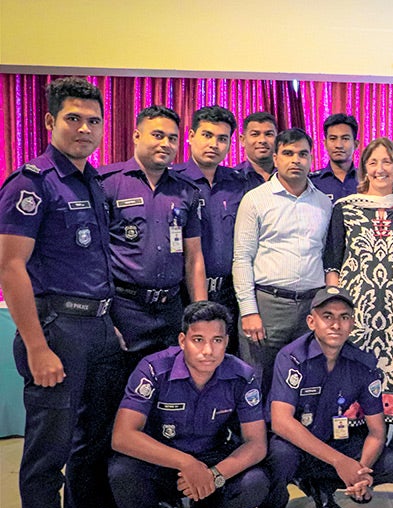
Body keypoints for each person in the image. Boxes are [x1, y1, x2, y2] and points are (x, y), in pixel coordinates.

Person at [0, 76, 140, 508]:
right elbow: (10, 265)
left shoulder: (91, 181)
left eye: (93, 120)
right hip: (56, 332)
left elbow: (93, 263)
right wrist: (37, 347)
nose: (84, 128)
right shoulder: (32, 184)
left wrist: (110, 322)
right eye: (73, 119)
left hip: (99, 330)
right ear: (50, 122)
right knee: (48, 455)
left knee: (92, 443)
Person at [109, 301, 271, 508]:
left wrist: (212, 475)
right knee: (121, 472)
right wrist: (186, 463)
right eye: (198, 340)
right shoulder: (153, 369)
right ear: (183, 341)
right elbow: (122, 436)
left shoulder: (243, 375)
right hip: (164, 461)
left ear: (227, 341)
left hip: (213, 460)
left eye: (217, 340)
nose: (208, 350)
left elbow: (256, 444)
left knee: (257, 483)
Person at [259, 288, 393, 508]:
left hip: (331, 439)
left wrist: (361, 474)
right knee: (281, 457)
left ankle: (321, 484)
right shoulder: (291, 357)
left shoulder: (362, 363)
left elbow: (377, 432)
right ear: (311, 321)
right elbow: (281, 422)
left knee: (391, 465)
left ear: (352, 323)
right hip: (294, 443)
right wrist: (340, 462)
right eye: (328, 316)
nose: (336, 324)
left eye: (344, 317)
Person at [100, 105, 207, 372]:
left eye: (172, 138)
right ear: (136, 136)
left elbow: (193, 257)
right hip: (124, 309)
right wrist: (103, 319)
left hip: (171, 310)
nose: (166, 144)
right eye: (157, 135)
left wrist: (200, 315)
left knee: (168, 392)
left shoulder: (186, 191)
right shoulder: (107, 183)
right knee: (117, 395)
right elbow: (95, 256)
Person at [324, 137, 393, 428]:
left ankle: (390, 446)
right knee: (350, 373)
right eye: (374, 162)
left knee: (392, 379)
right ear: (365, 167)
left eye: (387, 162)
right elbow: (332, 263)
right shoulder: (345, 207)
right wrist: (334, 312)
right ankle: (348, 443)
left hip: (392, 314)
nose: (381, 169)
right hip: (354, 311)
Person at [234, 127, 333, 401]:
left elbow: (326, 258)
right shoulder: (255, 200)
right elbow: (242, 258)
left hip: (311, 308)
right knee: (258, 383)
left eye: (303, 154)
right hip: (267, 307)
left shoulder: (324, 203)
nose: (296, 160)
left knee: (306, 383)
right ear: (275, 158)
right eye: (288, 153)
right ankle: (257, 443)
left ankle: (294, 442)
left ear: (312, 159)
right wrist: (248, 311)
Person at [173, 105, 258, 355]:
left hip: (229, 293)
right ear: (190, 136)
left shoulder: (239, 184)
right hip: (182, 294)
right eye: (207, 135)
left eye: (222, 139)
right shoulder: (174, 181)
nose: (214, 144)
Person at [309, 113, 359, 203]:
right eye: (333, 139)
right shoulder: (312, 182)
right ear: (325, 144)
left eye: (345, 138)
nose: (338, 145)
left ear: (355, 144)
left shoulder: (367, 180)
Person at [236, 112, 278, 184]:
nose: (262, 140)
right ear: (243, 140)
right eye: (255, 134)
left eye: (269, 134)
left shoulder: (290, 175)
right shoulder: (232, 179)